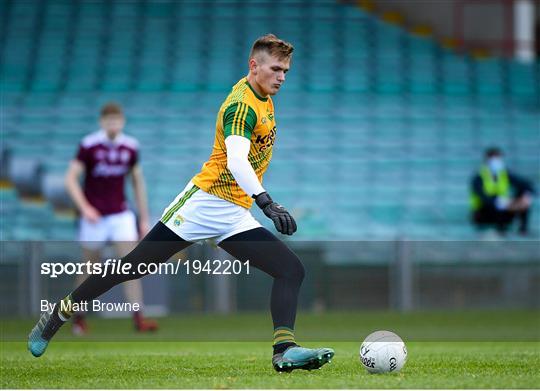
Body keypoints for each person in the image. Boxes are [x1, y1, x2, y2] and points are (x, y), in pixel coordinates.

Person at [28, 34, 334, 372]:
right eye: (276, 69)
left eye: (286, 71)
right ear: (254, 65)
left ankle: (284, 351)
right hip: (201, 206)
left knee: (291, 270)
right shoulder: (241, 104)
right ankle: (60, 313)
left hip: (234, 213)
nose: (282, 77)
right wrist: (266, 202)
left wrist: (255, 202)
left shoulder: (265, 98)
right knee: (132, 267)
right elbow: (235, 159)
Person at [64, 102, 158, 333]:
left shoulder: (130, 147)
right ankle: (78, 317)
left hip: (120, 215)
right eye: (109, 120)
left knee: (131, 265)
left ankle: (138, 318)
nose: (112, 124)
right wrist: (85, 208)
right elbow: (70, 179)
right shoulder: (89, 145)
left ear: (122, 121)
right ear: (102, 122)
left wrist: (143, 218)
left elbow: (137, 182)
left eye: (116, 120)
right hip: (94, 217)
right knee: (89, 268)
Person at [470, 147, 535, 235]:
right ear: (487, 160)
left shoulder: (504, 173)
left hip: (503, 209)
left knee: (523, 197)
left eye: (499, 159)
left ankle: (523, 230)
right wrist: (503, 202)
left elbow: (525, 184)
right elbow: (484, 198)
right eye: (494, 159)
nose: (497, 162)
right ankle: (501, 230)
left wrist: (526, 196)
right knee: (500, 205)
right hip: (483, 212)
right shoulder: (478, 177)